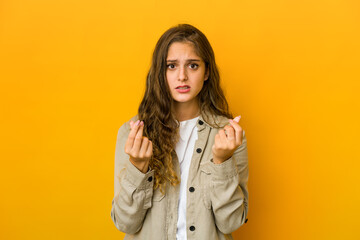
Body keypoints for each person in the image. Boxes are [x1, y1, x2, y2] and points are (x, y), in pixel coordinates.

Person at [110, 23, 249, 240]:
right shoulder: (134, 133)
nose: (182, 76)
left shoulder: (228, 135)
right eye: (171, 66)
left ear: (206, 72)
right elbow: (125, 222)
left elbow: (231, 222)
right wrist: (138, 167)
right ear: (160, 72)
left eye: (192, 65)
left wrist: (222, 162)